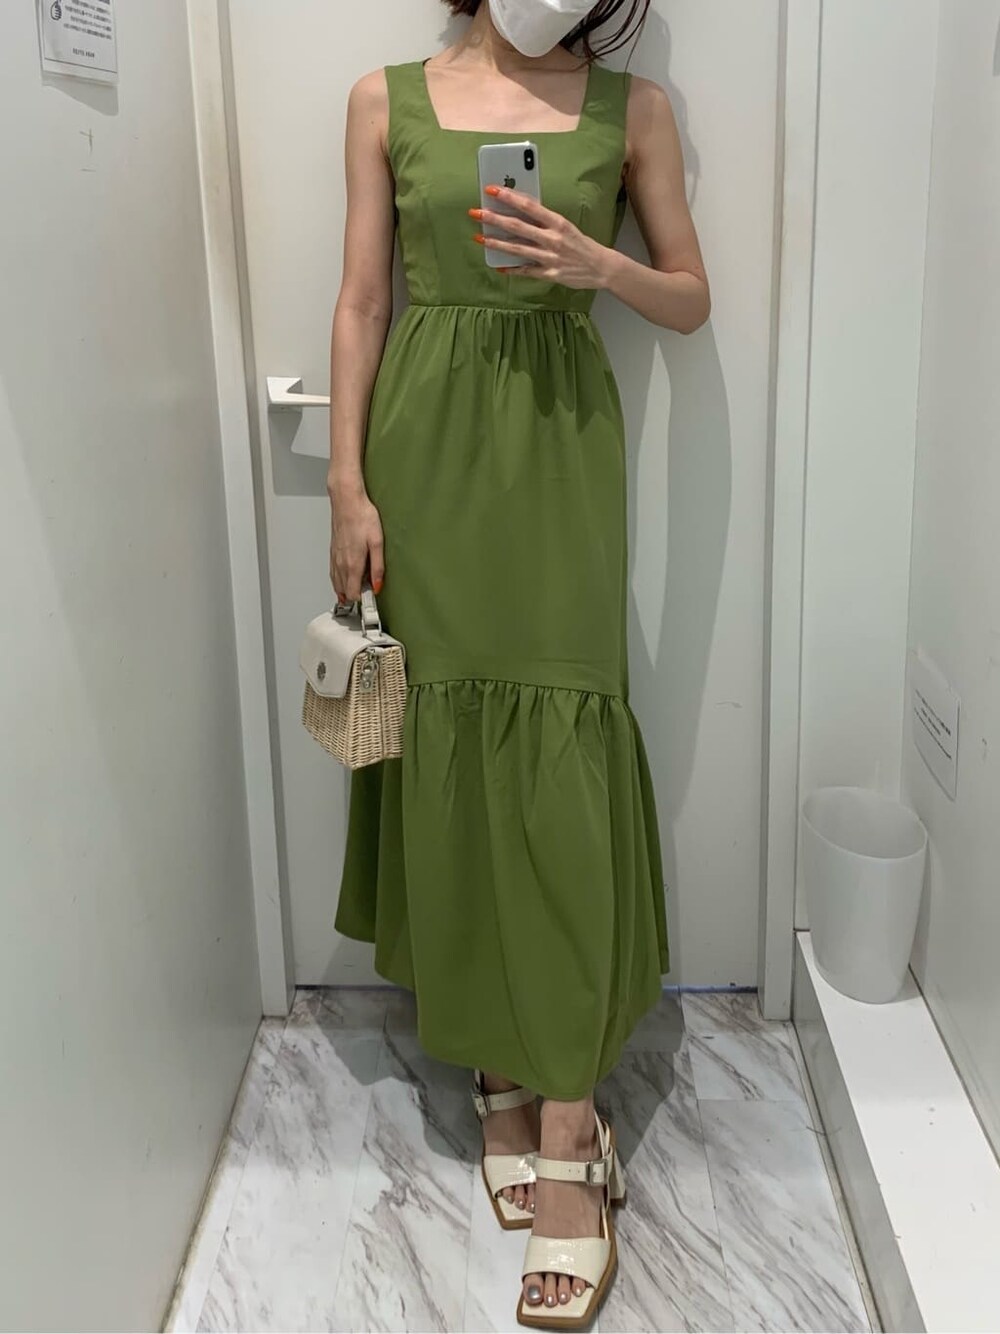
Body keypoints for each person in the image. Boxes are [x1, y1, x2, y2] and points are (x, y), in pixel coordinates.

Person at [327, 0, 709, 1324]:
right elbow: (363, 299)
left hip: (556, 458)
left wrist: (600, 265)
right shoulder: (383, 100)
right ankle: (496, 1054)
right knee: (448, 739)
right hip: (426, 459)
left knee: (558, 758)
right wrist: (347, 487)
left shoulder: (634, 110)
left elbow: (690, 297)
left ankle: (567, 1121)